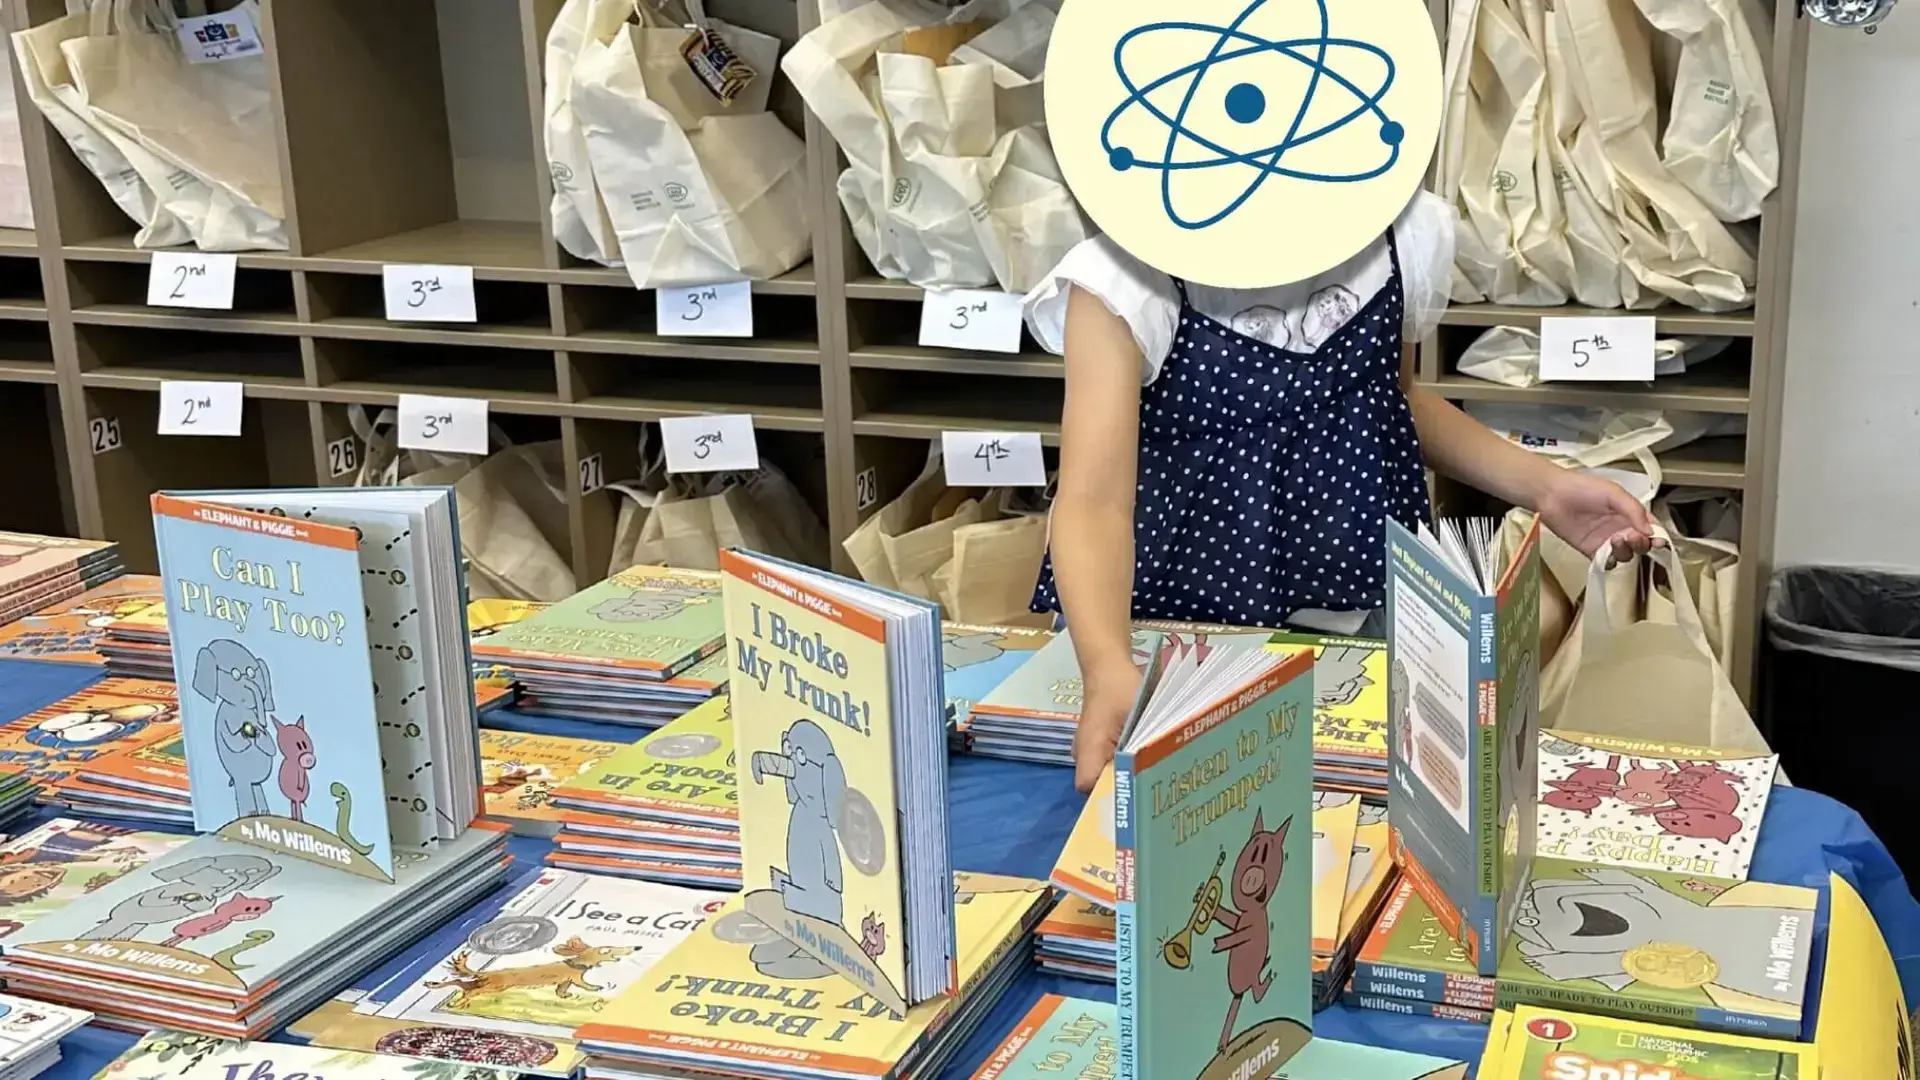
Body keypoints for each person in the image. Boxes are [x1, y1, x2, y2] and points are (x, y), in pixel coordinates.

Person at [1022, 193, 1657, 791]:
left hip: (1362, 608)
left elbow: (1392, 397)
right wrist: (1106, 661)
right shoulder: (1128, 272)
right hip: (1179, 633)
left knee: (1349, 829)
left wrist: (1543, 487)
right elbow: (1092, 499)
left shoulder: (1395, 230)